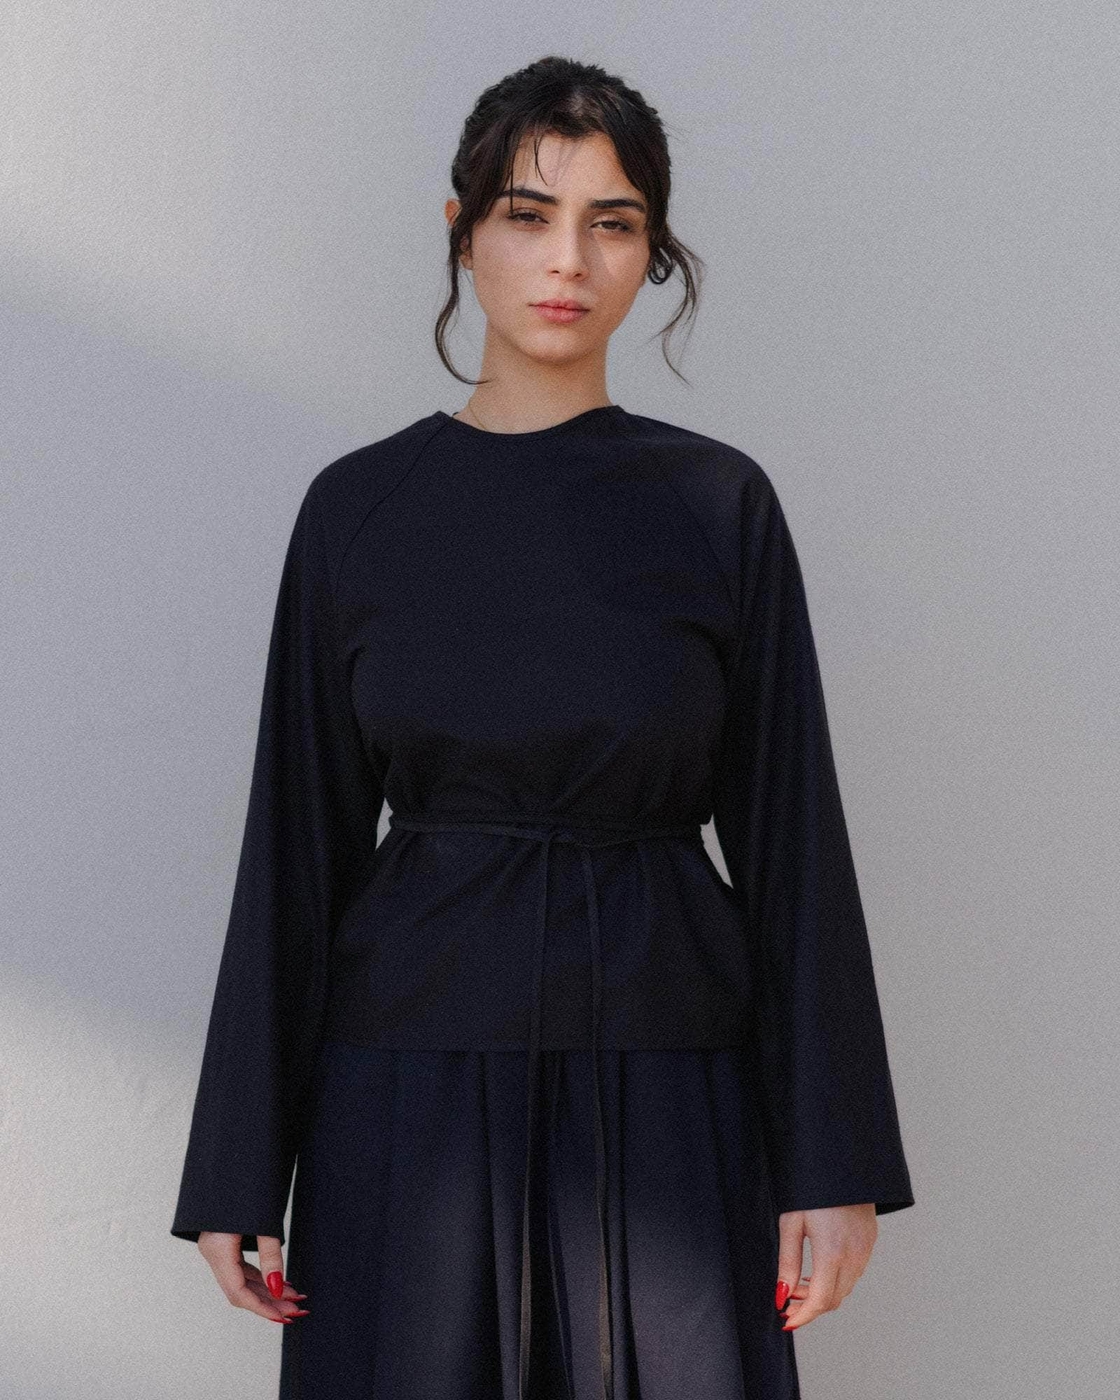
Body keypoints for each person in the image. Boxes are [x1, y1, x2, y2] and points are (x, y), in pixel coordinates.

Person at [171, 55, 914, 1400]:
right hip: (404, 1085)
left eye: (612, 222)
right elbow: (296, 843)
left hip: (672, 1079)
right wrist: (238, 1166)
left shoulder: (717, 507)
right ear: (461, 228)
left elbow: (794, 842)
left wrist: (835, 1161)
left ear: (653, 252)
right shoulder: (358, 512)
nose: (568, 259)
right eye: (528, 214)